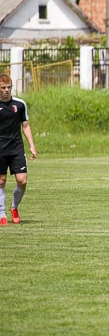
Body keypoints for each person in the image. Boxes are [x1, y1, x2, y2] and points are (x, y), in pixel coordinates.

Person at [0, 75, 37, 226]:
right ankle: (1, 213)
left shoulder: (20, 104)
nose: (6, 90)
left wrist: (32, 145)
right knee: (1, 181)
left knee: (22, 180)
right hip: (0, 149)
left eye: (9, 87)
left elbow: (25, 125)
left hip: (16, 147)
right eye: (3, 87)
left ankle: (14, 207)